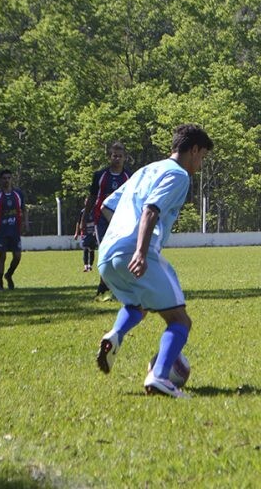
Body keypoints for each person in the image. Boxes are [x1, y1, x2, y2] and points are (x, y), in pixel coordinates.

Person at [95, 124, 213, 398]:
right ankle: (160, 377)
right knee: (180, 321)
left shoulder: (144, 171)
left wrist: (123, 240)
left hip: (108, 254)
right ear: (193, 149)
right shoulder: (179, 174)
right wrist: (138, 249)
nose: (201, 164)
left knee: (137, 304)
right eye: (202, 156)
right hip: (135, 250)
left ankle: (115, 334)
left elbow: (106, 207)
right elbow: (151, 210)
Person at [81, 141, 130, 296]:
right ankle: (103, 285)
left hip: (122, 220)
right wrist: (84, 218)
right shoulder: (100, 176)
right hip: (101, 219)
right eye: (114, 156)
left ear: (125, 158)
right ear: (110, 157)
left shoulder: (129, 176)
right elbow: (92, 197)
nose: (117, 159)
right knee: (105, 250)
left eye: (120, 156)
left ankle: (118, 285)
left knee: (121, 252)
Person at [0, 169, 30, 291]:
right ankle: (0, 282)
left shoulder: (18, 194)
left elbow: (24, 210)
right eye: (4, 178)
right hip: (1, 230)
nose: (6, 180)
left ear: (11, 179)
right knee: (2, 256)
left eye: (8, 178)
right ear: (0, 180)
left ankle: (9, 275)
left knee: (17, 256)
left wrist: (26, 224)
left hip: (15, 230)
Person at [74, 207, 97, 272]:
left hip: (92, 233)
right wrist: (76, 233)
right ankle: (86, 266)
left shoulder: (94, 211)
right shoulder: (83, 211)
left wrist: (96, 231)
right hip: (85, 233)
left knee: (92, 250)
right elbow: (78, 222)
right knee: (85, 249)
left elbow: (97, 221)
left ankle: (90, 266)